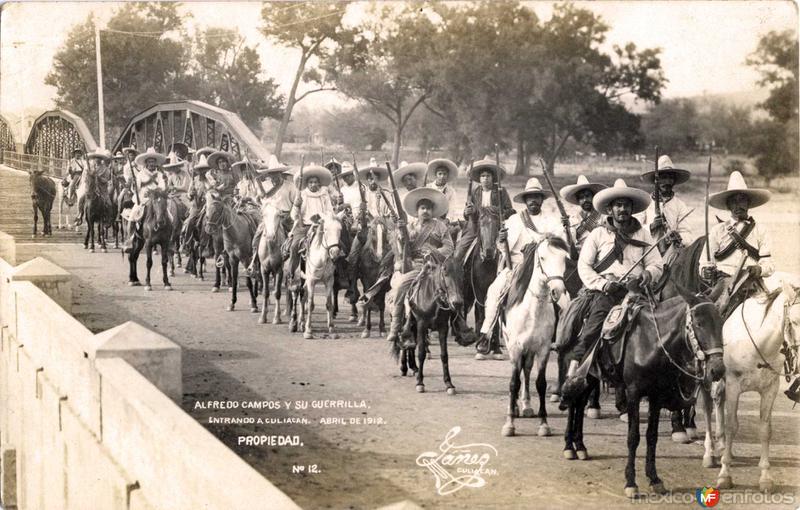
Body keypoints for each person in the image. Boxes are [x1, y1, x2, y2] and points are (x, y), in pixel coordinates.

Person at [565, 179, 664, 383]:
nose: (622, 209)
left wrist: (648, 274)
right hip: (607, 291)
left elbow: (656, 264)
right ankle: (576, 365)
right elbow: (584, 266)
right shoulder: (598, 234)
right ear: (610, 209)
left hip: (635, 291)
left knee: (656, 327)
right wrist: (602, 284)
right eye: (618, 205)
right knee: (595, 323)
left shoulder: (643, 233)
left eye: (626, 205)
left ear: (632, 208)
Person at [476, 178, 562, 352]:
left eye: (537, 197)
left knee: (563, 295)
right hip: (517, 266)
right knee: (494, 292)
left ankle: (561, 336)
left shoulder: (552, 220)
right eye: (530, 197)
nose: (533, 201)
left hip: (543, 268)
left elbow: (558, 243)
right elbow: (502, 247)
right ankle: (486, 333)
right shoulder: (515, 220)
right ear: (525, 200)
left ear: (542, 200)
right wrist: (501, 240)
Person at [385, 188, 454, 347]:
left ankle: (459, 324)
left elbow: (449, 247)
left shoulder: (440, 226)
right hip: (415, 266)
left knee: (454, 287)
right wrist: (401, 233)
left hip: (436, 268)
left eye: (428, 208)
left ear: (433, 211)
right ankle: (396, 325)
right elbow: (402, 248)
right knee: (401, 285)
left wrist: (434, 251)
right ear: (417, 211)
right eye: (422, 208)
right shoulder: (409, 226)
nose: (426, 211)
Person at [701, 171, 774, 319]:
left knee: (774, 316)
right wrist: (705, 271)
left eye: (742, 200)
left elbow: (769, 263)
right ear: (728, 205)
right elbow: (704, 262)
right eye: (733, 201)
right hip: (724, 283)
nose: (738, 205)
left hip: (751, 281)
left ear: (748, 203)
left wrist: (759, 269)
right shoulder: (718, 231)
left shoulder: (761, 229)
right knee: (712, 319)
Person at [245, 156, 299, 275]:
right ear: (269, 174)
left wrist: (291, 215)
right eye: (272, 174)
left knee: (295, 241)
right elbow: (259, 199)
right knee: (256, 238)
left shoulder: (290, 186)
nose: (274, 176)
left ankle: (293, 268)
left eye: (276, 173)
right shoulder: (265, 185)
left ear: (281, 173)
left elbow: (296, 203)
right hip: (269, 217)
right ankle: (254, 262)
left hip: (286, 217)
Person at [453, 158, 514, 262]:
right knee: (459, 252)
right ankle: (459, 271)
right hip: (476, 226)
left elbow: (511, 211)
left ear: (493, 177)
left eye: (488, 176)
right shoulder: (474, 191)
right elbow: (467, 214)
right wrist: (468, 212)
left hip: (496, 226)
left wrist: (497, 213)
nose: (485, 178)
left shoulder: (501, 191)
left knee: (511, 252)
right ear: (479, 179)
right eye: (483, 176)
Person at [636, 155, 693, 263]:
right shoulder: (644, 203)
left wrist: (678, 237)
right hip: (646, 253)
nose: (667, 182)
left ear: (674, 181)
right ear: (655, 180)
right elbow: (634, 231)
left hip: (672, 255)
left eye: (670, 178)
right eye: (663, 177)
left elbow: (688, 235)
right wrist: (651, 227)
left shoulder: (680, 205)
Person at [286, 165, 335, 281]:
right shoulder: (302, 194)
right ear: (307, 184)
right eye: (311, 182)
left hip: (322, 226)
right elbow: (293, 215)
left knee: (338, 245)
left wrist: (324, 219)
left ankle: (339, 275)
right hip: (305, 226)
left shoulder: (324, 195)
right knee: (294, 246)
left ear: (319, 183)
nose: (313, 184)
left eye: (315, 182)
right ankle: (291, 274)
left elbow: (330, 211)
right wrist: (297, 205)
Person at [121, 147, 167, 251]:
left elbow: (163, 186)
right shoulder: (141, 174)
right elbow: (136, 188)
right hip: (143, 199)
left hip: (156, 198)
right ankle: (129, 239)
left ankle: (170, 238)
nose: (152, 164)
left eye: (153, 162)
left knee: (169, 214)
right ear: (146, 163)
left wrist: (155, 191)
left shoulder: (159, 174)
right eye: (150, 162)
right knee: (133, 215)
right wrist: (143, 185)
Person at [560, 175, 606, 252]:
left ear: (593, 197)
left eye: (587, 196)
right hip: (580, 255)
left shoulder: (603, 216)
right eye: (581, 197)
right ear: (578, 201)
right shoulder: (573, 219)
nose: (585, 200)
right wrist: (566, 228)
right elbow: (570, 244)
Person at [75, 148, 113, 225]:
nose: (97, 160)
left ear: (101, 159)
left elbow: (106, 180)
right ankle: (79, 215)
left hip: (102, 189)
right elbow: (85, 178)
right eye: (95, 158)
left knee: (109, 203)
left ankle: (109, 218)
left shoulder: (105, 169)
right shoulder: (89, 167)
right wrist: (89, 176)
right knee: (81, 198)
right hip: (91, 188)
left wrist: (98, 178)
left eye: (99, 158)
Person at [425, 158, 460, 223]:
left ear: (447, 175)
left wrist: (447, 220)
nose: (442, 176)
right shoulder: (427, 188)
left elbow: (452, 209)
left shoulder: (451, 191)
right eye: (440, 174)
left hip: (443, 221)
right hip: (428, 219)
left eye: (444, 174)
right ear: (436, 175)